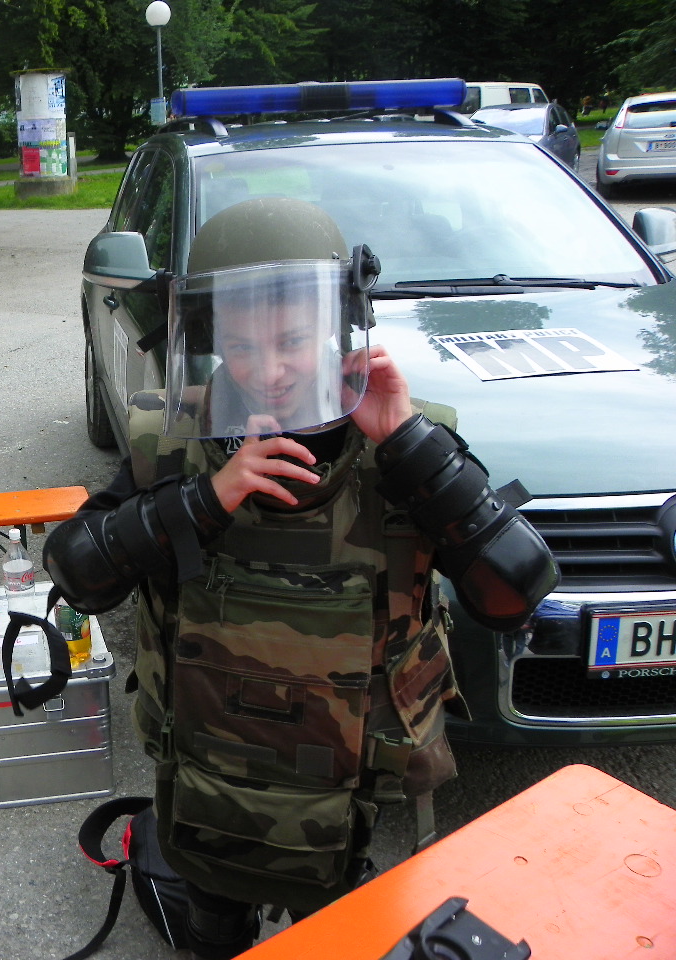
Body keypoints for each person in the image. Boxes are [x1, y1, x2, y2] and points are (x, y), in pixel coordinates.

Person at [43, 198, 558, 958]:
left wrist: (410, 443)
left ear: (334, 327)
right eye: (242, 347)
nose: (270, 370)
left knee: (343, 934)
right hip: (205, 782)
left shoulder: (402, 440)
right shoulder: (174, 442)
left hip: (353, 792)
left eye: (291, 341)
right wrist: (203, 500)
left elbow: (517, 595)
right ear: (211, 340)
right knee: (211, 926)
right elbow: (76, 572)